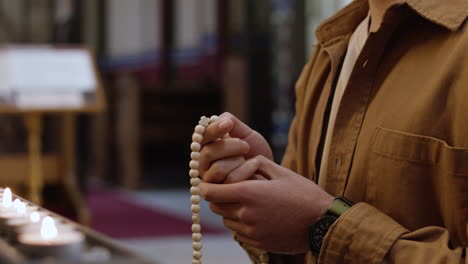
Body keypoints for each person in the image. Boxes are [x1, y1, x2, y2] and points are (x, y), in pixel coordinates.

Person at [197, 0, 468, 263]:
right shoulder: (333, 48)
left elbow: (315, 225)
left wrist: (323, 226)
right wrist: (259, 184)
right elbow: (299, 245)